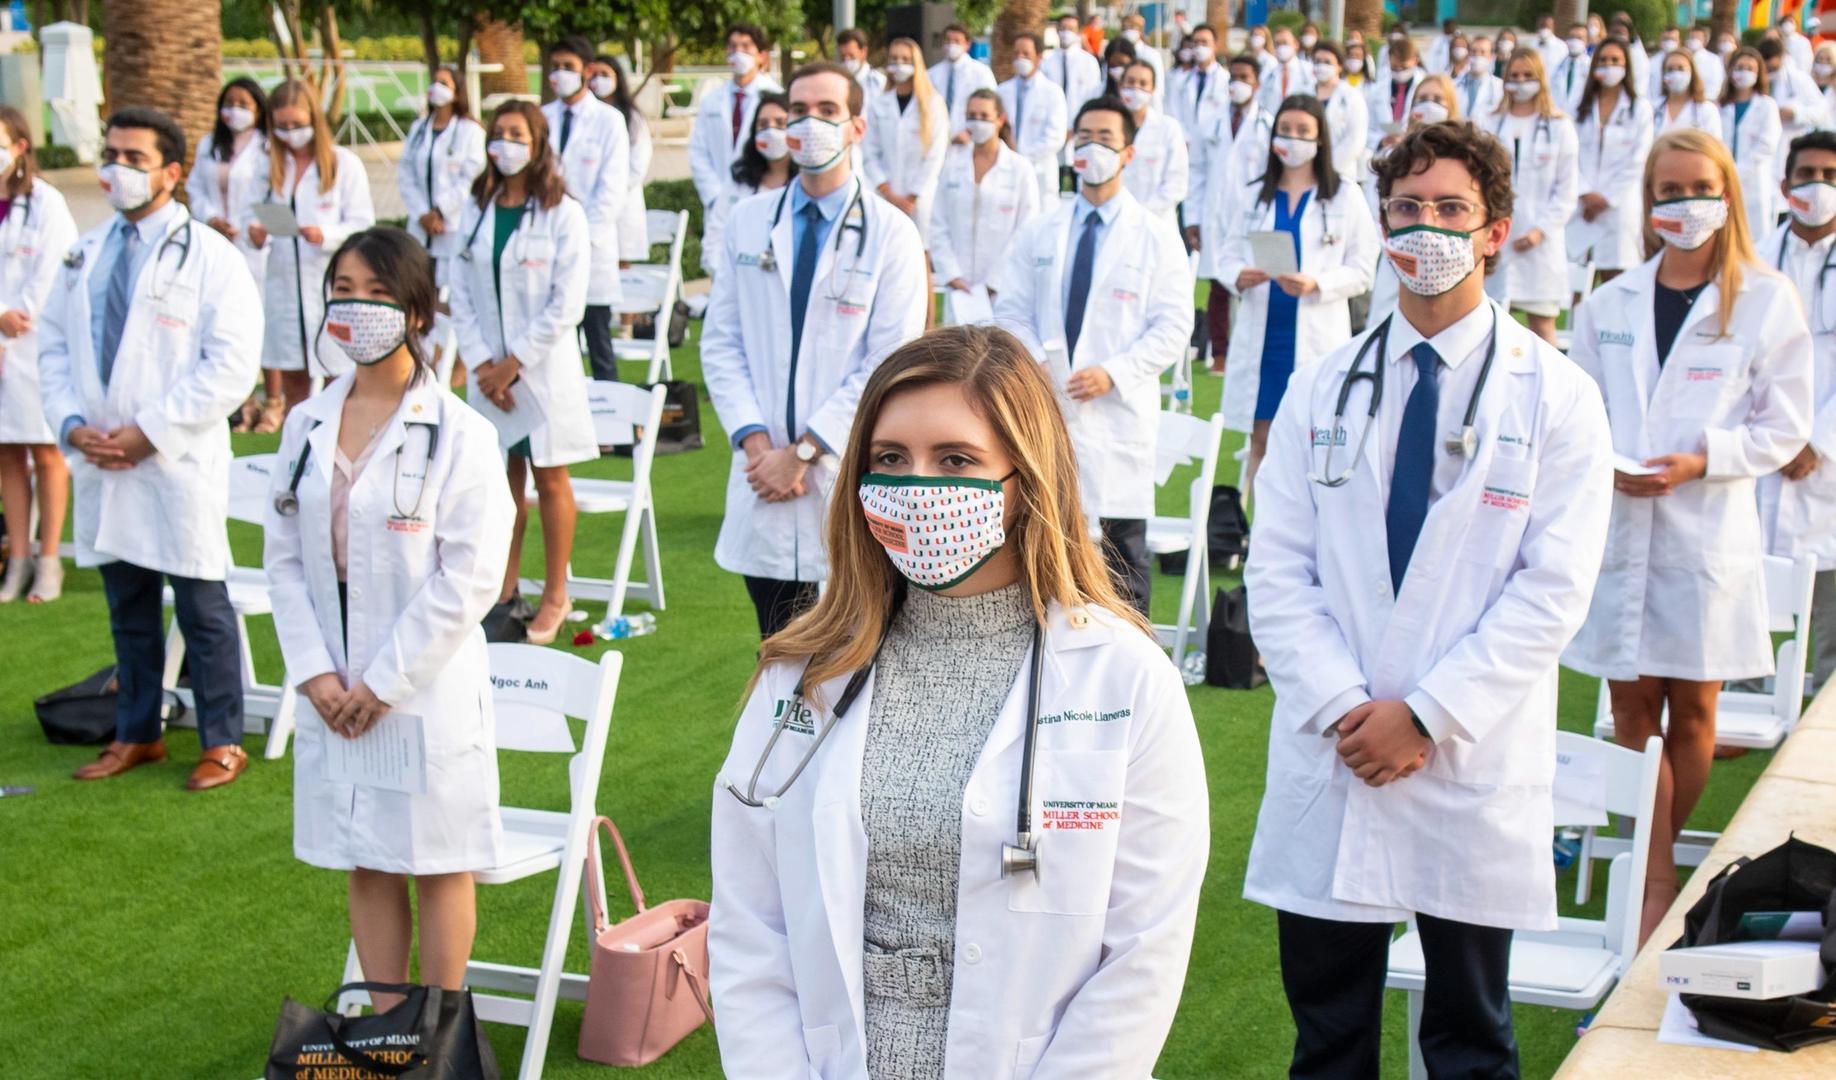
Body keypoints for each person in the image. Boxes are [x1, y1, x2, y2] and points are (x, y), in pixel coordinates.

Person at [708, 326, 1209, 1078]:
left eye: (956, 460)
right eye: (889, 460)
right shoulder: (804, 673)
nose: (917, 487)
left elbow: (1144, 954)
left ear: (1026, 478)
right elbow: (750, 930)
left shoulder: (1125, 679)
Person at [1244, 120, 1615, 1080]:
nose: (1427, 228)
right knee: (1327, 1042)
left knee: (1470, 1043)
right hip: (1337, 748)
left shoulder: (1557, 396)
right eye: (1407, 208)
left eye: (1452, 209)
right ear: (1380, 221)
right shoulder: (1324, 387)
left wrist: (1425, 717)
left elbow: (1554, 590)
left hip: (1467, 758)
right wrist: (1346, 708)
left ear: (1496, 230)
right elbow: (1278, 570)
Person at [1565, 128, 1813, 945]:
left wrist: (1704, 460)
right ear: (1650, 203)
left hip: (1708, 531)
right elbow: (1579, 414)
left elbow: (1786, 428)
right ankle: (1658, 873)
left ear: (1729, 195)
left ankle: (1652, 865)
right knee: (1631, 706)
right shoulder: (1609, 304)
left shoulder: (1766, 300)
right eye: (1667, 192)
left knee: (1695, 711)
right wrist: (1609, 463)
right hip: (1623, 527)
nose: (1683, 205)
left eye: (1698, 188)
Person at [264, 226, 513, 1016]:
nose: (357, 306)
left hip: (422, 682)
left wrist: (381, 681)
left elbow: (468, 578)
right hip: (331, 676)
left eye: (377, 292)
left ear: (414, 308)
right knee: (365, 856)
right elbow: (284, 559)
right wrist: (315, 673)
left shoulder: (461, 433)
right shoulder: (305, 423)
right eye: (343, 288)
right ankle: (384, 1027)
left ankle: (435, 1033)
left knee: (439, 857)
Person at [41, 106, 263, 788]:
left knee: (202, 606)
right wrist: (72, 422)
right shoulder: (86, 249)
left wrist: (150, 434)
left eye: (134, 158)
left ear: (173, 171)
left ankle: (223, 739)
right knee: (127, 605)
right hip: (102, 457)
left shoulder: (212, 257)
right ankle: (137, 732)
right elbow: (53, 345)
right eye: (111, 154)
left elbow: (230, 365)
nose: (117, 169)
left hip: (174, 461)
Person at [701, 61, 928, 639]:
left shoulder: (892, 233)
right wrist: (760, 448)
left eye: (827, 111)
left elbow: (889, 363)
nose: (809, 124)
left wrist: (801, 454)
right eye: (798, 112)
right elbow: (722, 343)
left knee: (859, 650)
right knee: (776, 649)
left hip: (839, 469)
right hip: (763, 476)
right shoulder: (747, 222)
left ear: (856, 127)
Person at [993, 96, 1193, 617]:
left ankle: (1136, 669)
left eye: (1105, 138)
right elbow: (1010, 306)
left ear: (1128, 153)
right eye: (1084, 136)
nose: (1092, 147)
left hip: (1117, 413)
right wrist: (1034, 358)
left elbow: (1174, 325)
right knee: (1045, 538)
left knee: (1124, 549)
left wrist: (1114, 373)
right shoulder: (1042, 229)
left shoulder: (1154, 236)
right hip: (1047, 404)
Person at [449, 101, 599, 646]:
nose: (504, 143)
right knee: (498, 481)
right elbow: (459, 289)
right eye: (497, 134)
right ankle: (503, 589)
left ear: (537, 144)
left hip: (539, 372)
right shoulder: (478, 205)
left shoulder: (563, 212)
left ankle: (556, 594)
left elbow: (567, 303)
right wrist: (484, 362)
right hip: (490, 371)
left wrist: (513, 364)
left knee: (549, 477)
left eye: (516, 134)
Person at [1212, 95, 1378, 496]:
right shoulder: (1256, 195)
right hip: (1264, 338)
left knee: (1312, 441)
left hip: (1316, 334)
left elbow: (1363, 268)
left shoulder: (1344, 196)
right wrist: (1239, 275)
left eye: (1304, 131)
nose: (1293, 139)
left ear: (1320, 139)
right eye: (1285, 130)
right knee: (1262, 438)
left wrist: (1317, 284)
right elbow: (1227, 254)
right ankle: (1256, 537)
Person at [242, 80, 373, 428]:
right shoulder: (265, 167)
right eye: (282, 127)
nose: (290, 133)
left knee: (339, 374)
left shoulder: (344, 164)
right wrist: (256, 233)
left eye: (297, 125)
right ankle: (302, 454)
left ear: (314, 120)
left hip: (330, 282)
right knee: (296, 381)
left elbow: (363, 225)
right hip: (284, 281)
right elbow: (248, 216)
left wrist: (326, 235)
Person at [1758, 131, 1836, 696]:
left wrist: (1817, 442)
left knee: (1830, 593)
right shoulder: (1757, 258)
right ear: (1784, 187)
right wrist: (1780, 438)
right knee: (1753, 589)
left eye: (1831, 177)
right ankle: (1748, 698)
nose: (1819, 187)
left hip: (1827, 457)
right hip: (1765, 453)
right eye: (1807, 175)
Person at [0, 104, 78, 603]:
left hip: (32, 346)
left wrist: (11, 315)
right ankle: (19, 559)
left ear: (20, 146)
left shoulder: (46, 204)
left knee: (46, 451)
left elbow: (53, 273)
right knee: (5, 452)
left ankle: (49, 561)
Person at [541, 36, 628, 384]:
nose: (560, 75)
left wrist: (580, 239)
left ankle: (617, 436)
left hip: (593, 248)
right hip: (548, 248)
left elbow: (611, 190)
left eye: (568, 68)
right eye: (555, 68)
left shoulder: (608, 121)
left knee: (599, 346)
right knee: (558, 347)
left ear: (587, 71)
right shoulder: (541, 118)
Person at [1485, 50, 1581, 345]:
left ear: (1540, 79)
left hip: (1542, 242)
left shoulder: (1559, 126)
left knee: (1542, 326)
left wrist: (1540, 232)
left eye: (1528, 76)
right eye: (1514, 76)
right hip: (1497, 237)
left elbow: (1566, 190)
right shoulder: (1490, 122)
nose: (1520, 82)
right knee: (1492, 326)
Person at [395, 64, 485, 366]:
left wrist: (441, 211)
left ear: (457, 91)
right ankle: (421, 353)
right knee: (420, 288)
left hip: (452, 224)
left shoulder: (469, 131)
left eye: (444, 83)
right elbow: (406, 172)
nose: (437, 88)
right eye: (434, 82)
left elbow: (470, 176)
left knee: (452, 292)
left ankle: (451, 359)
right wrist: (422, 213)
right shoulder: (420, 128)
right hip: (422, 227)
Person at [1195, 54, 1271, 374]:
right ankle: (1220, 354)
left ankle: (1249, 354)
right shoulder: (1212, 121)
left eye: (1245, 77)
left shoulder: (1266, 124)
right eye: (1233, 78)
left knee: (1253, 283)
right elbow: (1197, 170)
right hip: (1216, 212)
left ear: (1257, 83)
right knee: (1218, 285)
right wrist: (1191, 218)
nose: (1238, 84)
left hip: (1252, 213)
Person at [929, 88, 1039, 309]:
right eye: (971, 116)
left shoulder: (1020, 169)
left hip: (1004, 288)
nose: (977, 122)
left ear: (1000, 119)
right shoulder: (952, 165)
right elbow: (938, 224)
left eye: (984, 116)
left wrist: (995, 281)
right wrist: (951, 275)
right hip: (958, 290)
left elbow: (1027, 229)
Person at [186, 77, 269, 366]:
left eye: (243, 105)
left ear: (259, 109)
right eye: (229, 104)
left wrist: (252, 227)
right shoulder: (209, 144)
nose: (235, 111)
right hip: (214, 236)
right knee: (217, 310)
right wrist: (211, 217)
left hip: (253, 243)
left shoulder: (268, 147)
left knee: (252, 312)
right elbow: (194, 187)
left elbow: (271, 194)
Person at [1570, 38, 1653, 283]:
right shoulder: (1579, 108)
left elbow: (1638, 160)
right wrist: (1585, 193)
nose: (1609, 66)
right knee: (1577, 284)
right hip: (1582, 207)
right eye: (1603, 60)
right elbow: (1569, 155)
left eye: (1615, 60)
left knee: (1616, 279)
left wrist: (1606, 198)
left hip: (1618, 207)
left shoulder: (1639, 109)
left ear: (1626, 66)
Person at [690, 23, 781, 216]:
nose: (738, 52)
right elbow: (698, 152)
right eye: (732, 46)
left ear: (761, 56)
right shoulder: (711, 100)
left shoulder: (776, 98)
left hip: (761, 199)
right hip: (718, 202)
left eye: (746, 46)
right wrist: (715, 197)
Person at [864, 37, 948, 246]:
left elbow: (935, 154)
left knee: (921, 252)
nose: (899, 64)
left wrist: (912, 196)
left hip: (919, 198)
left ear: (916, 63)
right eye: (894, 59)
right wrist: (887, 191)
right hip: (886, 196)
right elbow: (869, 152)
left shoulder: (932, 103)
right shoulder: (879, 103)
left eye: (905, 59)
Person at [701, 92, 794, 279]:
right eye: (763, 125)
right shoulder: (740, 179)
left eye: (780, 123)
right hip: (739, 283)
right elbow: (716, 232)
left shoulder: (807, 183)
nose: (771, 131)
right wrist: (726, 274)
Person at [591, 55, 656, 278]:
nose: (598, 81)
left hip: (624, 200)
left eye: (605, 75)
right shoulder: (587, 117)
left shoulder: (632, 117)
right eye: (594, 75)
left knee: (623, 263)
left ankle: (629, 315)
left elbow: (639, 162)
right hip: (590, 199)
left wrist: (614, 188)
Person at [998, 33, 1070, 205]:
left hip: (1040, 170)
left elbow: (1055, 137)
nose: (1019, 58)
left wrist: (1023, 157)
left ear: (1038, 57)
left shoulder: (1052, 92)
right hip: (1006, 170)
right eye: (1016, 53)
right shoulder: (1001, 91)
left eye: (1025, 54)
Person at [1720, 47, 1783, 239]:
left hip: (1756, 182)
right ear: (1730, 71)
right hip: (1723, 182)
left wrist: (1738, 172)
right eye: (1739, 67)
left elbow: (1767, 145)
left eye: (1750, 68)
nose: (1743, 72)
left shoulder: (1766, 105)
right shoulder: (1720, 106)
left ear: (1759, 74)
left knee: (1756, 240)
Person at [1117, 59, 1187, 224]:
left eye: (1143, 83)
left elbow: (1176, 184)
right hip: (1116, 221)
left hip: (1157, 221)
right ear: (1121, 85)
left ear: (1153, 89)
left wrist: (1141, 214)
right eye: (1131, 82)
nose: (1136, 88)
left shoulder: (1168, 128)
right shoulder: (1109, 127)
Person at [1762, 38, 1827, 181]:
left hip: (1789, 145)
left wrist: (1795, 114)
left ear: (1781, 58)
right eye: (1766, 69)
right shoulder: (1757, 80)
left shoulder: (1798, 79)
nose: (1769, 72)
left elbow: (1821, 112)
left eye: (1772, 68)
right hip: (1761, 154)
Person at [1312, 41, 1368, 184]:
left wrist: (1328, 167)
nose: (1321, 66)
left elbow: (1355, 139)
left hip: (1340, 172)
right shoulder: (1303, 92)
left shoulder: (1352, 97)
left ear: (1339, 66)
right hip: (1306, 170)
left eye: (1327, 62)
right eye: (1317, 61)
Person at [931, 24, 997, 141]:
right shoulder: (931, 74)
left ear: (967, 44)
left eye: (957, 41)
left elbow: (992, 104)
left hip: (969, 140)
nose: (951, 45)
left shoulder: (981, 72)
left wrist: (969, 133)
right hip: (937, 139)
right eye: (948, 40)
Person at [1654, 46, 1723, 139]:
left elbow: (1714, 148)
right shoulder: (1653, 108)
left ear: (1692, 73)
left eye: (1681, 69)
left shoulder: (1707, 110)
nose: (1675, 74)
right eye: (1670, 69)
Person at [1258, 26, 1315, 113]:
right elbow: (1261, 101)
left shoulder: (1309, 70)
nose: (1281, 47)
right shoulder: (1267, 73)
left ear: (1296, 44)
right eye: (1277, 44)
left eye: (1285, 43)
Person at [1117, 12, 1165, 105]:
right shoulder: (1117, 53)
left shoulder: (1151, 54)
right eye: (1126, 28)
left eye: (1133, 27)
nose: (1129, 31)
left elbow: (1158, 87)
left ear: (1140, 30)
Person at [1454, 35, 1503, 120]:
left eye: (1483, 52)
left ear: (1491, 56)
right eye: (1474, 51)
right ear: (1468, 54)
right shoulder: (1453, 84)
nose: (1477, 56)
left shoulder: (1499, 87)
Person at [1550, 23, 1592, 115]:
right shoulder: (1557, 67)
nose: (1575, 41)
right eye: (1572, 37)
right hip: (1558, 118)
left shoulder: (1591, 67)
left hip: (1581, 119)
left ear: (1587, 41)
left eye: (1580, 38)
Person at [837, 27, 886, 103]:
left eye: (851, 56)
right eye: (843, 56)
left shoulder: (879, 83)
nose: (847, 60)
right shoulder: (836, 82)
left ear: (864, 51)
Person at [1688, 25, 1726, 100]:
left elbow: (1716, 84)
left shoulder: (1714, 59)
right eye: (1691, 37)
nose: (1693, 40)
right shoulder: (1682, 57)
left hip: (1704, 101)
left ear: (1705, 41)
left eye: (1697, 38)